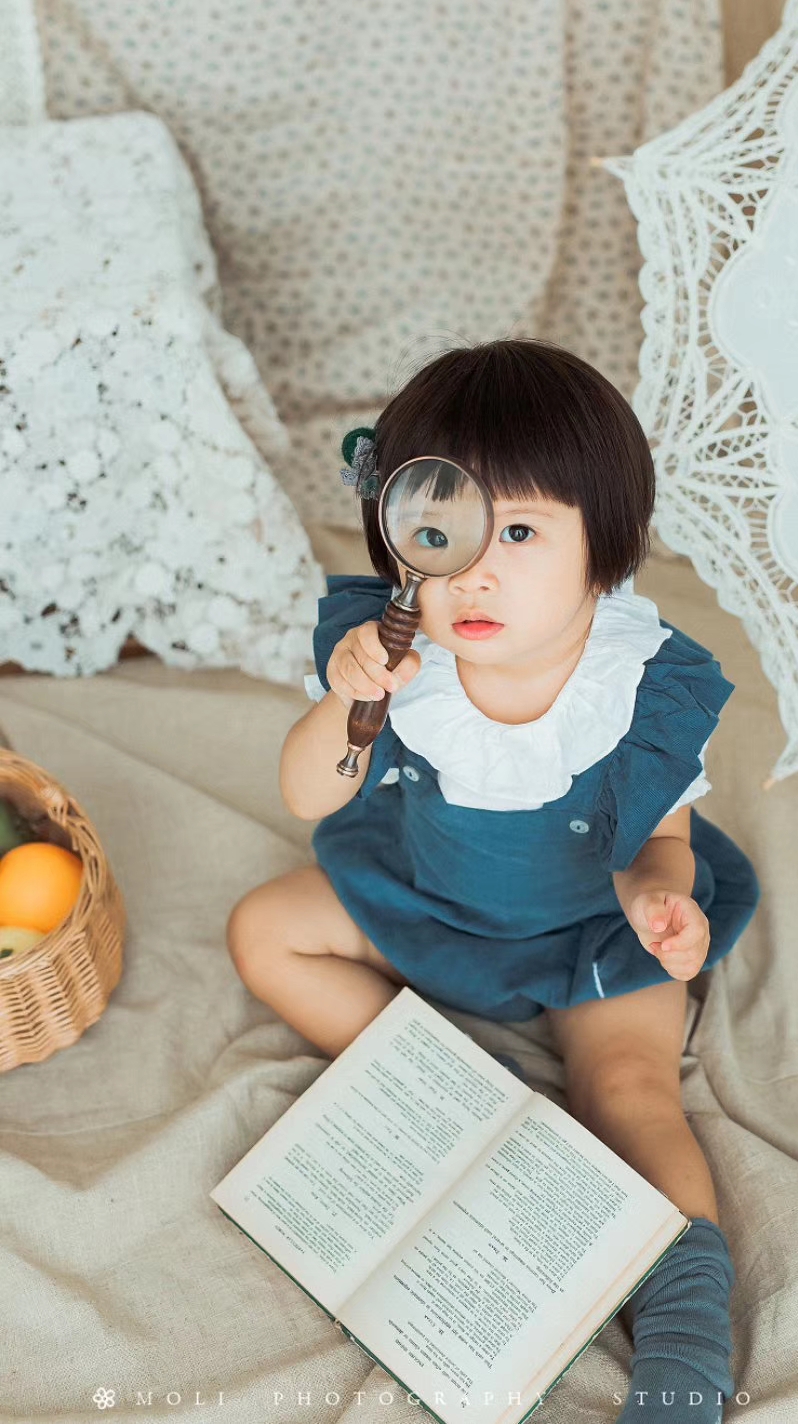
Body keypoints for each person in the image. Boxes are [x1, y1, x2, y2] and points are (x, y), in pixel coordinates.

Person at [226, 336, 761, 1422]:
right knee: (262, 930)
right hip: (425, 900)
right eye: (443, 532)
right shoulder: (397, 658)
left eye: (519, 532)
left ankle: (684, 1334)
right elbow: (308, 797)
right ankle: (464, 1095)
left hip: (587, 930)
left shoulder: (639, 686)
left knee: (631, 1092)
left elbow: (664, 842)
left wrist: (658, 902)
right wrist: (351, 700)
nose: (474, 572)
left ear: (605, 552)